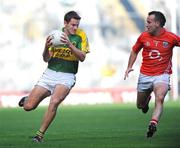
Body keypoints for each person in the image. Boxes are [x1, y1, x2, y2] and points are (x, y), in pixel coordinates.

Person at [18, 11, 90, 142]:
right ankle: (29, 98)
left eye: (77, 25)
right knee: (28, 107)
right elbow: (46, 59)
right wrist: (46, 47)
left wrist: (69, 44)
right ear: (65, 23)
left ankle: (39, 135)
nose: (75, 28)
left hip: (67, 75)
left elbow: (82, 57)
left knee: (55, 101)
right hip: (50, 73)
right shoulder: (55, 35)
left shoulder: (81, 35)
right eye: (73, 25)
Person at [124, 11, 180, 138]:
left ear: (157, 23)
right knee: (140, 105)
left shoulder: (171, 37)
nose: (146, 24)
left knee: (160, 97)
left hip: (162, 75)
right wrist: (129, 67)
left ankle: (153, 123)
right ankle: (146, 101)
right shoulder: (143, 37)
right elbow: (134, 51)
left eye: (149, 22)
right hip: (145, 75)